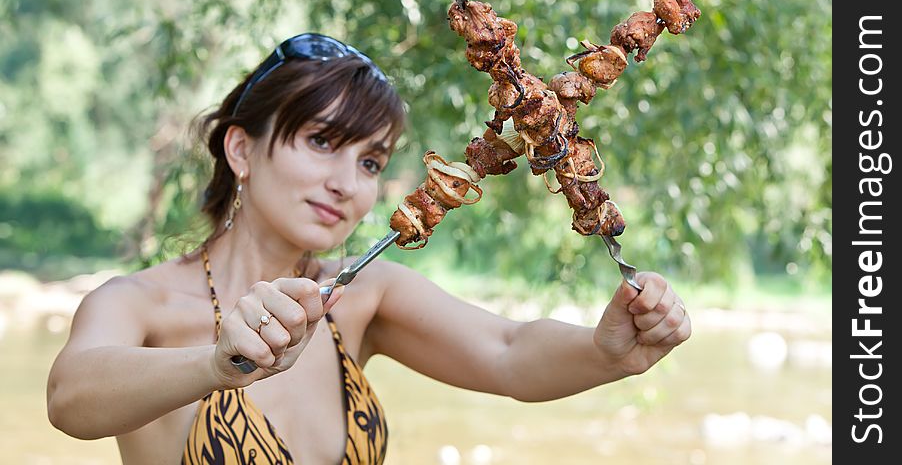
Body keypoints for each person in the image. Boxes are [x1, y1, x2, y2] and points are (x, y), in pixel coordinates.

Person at [47, 33, 692, 465]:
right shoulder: (141, 306)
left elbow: (509, 352)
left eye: (371, 160)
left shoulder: (362, 298)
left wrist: (606, 353)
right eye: (322, 143)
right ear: (241, 149)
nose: (347, 184)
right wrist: (216, 367)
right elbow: (69, 399)